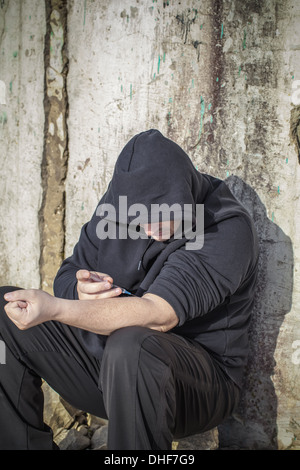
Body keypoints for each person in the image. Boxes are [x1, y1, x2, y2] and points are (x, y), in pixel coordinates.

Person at [0, 129, 259, 450]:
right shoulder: (120, 207)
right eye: (140, 220)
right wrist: (79, 294)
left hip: (197, 388)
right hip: (111, 369)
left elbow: (157, 315)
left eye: (161, 217)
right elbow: (68, 274)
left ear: (183, 195)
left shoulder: (224, 227)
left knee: (133, 344)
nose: (149, 230)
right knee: (3, 313)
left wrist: (57, 308)